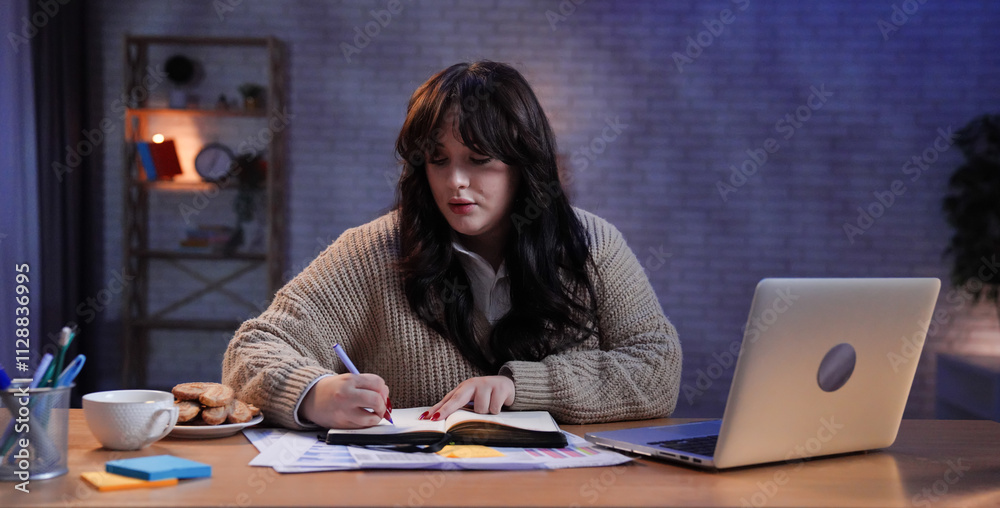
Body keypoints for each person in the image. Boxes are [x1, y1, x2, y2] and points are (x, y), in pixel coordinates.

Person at [222, 61, 682, 430]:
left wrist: (519, 388)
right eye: (437, 160)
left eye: (479, 160)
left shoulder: (590, 243)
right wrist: (313, 393)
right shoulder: (374, 248)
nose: (455, 182)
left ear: (524, 164)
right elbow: (252, 347)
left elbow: (657, 369)